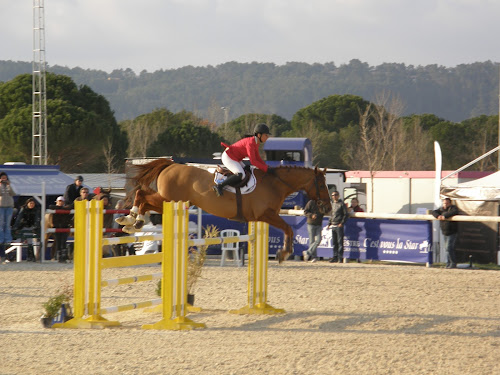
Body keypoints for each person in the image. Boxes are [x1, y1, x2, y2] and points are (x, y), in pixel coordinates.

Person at [212, 123, 275, 197]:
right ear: (259, 135)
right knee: (240, 175)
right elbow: (253, 161)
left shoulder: (256, 143)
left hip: (235, 158)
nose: (267, 137)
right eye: (266, 135)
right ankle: (219, 186)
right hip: (228, 157)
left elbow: (258, 158)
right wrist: (266, 169)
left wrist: (266, 167)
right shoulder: (250, 143)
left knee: (247, 170)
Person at [432, 198, 459, 269]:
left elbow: (454, 212)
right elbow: (434, 212)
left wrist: (444, 216)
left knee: (449, 248)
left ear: (450, 203)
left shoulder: (453, 208)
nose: (445, 205)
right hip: (445, 231)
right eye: (444, 203)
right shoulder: (441, 209)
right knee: (447, 248)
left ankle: (453, 263)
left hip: (452, 231)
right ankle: (448, 263)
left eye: (446, 203)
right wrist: (438, 216)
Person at [12, 198, 41, 262]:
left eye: (33, 203)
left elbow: (37, 220)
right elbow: (19, 219)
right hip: (22, 226)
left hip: (31, 227)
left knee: (30, 241)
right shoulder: (23, 209)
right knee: (17, 241)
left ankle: (30, 256)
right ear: (27, 203)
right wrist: (16, 228)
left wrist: (36, 227)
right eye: (30, 203)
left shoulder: (36, 210)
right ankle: (13, 256)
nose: (32, 205)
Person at [48, 196, 72, 263]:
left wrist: (62, 208)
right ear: (57, 202)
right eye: (59, 201)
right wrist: (61, 208)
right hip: (56, 227)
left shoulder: (66, 208)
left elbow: (70, 207)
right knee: (58, 242)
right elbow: (50, 206)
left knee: (63, 241)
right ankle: (58, 256)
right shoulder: (54, 208)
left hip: (64, 227)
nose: (60, 202)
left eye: (62, 201)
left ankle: (63, 256)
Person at [328, 191, 348, 263]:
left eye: (336, 195)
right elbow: (331, 214)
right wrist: (329, 223)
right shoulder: (332, 204)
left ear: (338, 196)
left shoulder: (341, 204)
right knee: (334, 242)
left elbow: (345, 214)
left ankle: (340, 258)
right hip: (333, 224)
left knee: (340, 242)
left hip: (338, 224)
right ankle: (335, 257)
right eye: (333, 195)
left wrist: (342, 223)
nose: (334, 196)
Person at [0, 171, 16, 260]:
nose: (4, 179)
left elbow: (13, 193)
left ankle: (7, 239)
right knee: (1, 224)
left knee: (7, 224)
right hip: (1, 206)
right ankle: (1, 239)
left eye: (5, 177)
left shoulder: (9, 185)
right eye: (2, 178)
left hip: (9, 206)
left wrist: (9, 185)